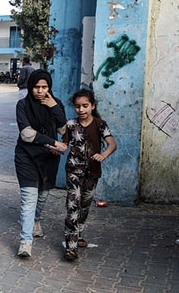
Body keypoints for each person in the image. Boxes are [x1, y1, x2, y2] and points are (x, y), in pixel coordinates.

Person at [14, 69, 67, 257]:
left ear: (49, 88)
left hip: (49, 158)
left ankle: (36, 220)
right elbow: (27, 134)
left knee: (43, 196)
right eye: (36, 87)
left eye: (44, 87)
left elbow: (64, 130)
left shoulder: (56, 104)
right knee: (29, 198)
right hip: (26, 156)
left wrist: (54, 107)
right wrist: (52, 142)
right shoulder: (23, 105)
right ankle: (25, 242)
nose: (40, 91)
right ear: (31, 87)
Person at [62, 89, 117, 261]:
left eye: (85, 106)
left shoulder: (100, 124)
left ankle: (78, 234)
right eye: (78, 107)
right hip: (73, 171)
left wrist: (103, 155)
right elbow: (64, 145)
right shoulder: (70, 125)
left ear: (93, 106)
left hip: (92, 173)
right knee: (72, 205)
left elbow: (112, 144)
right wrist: (56, 149)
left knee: (84, 206)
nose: (81, 110)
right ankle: (71, 246)